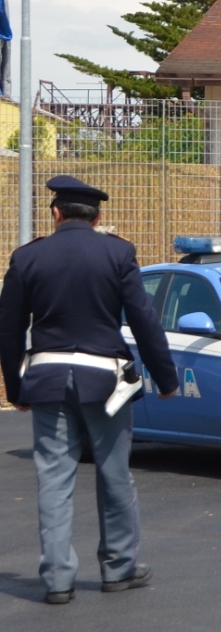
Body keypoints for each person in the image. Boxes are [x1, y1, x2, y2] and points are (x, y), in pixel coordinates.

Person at [0, 175, 179, 605]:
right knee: (115, 474)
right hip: (105, 382)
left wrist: (14, 387)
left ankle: (58, 579)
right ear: (97, 217)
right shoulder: (118, 252)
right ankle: (119, 568)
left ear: (56, 213)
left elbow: (8, 330)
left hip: (46, 380)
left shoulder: (28, 257)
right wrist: (166, 378)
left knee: (54, 480)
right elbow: (143, 320)